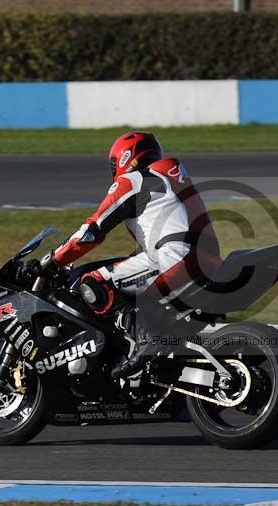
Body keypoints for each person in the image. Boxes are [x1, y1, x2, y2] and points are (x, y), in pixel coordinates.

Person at [31, 132, 220, 378]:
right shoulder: (171, 177)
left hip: (176, 258)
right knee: (124, 274)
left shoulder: (133, 181)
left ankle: (145, 339)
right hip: (206, 258)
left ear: (126, 158)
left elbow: (93, 231)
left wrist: (53, 259)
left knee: (93, 281)